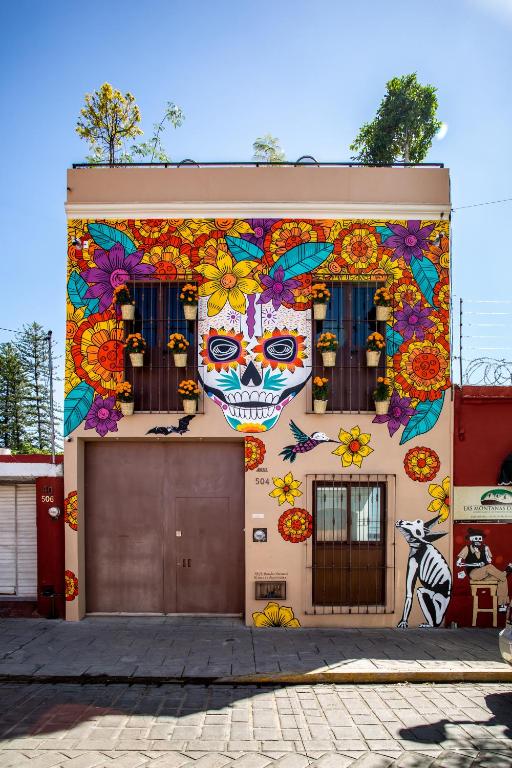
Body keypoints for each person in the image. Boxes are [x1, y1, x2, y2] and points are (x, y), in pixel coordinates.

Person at [456, 527, 512, 611]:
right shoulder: (467, 548)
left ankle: (502, 605)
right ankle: (504, 573)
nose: (478, 540)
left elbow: (489, 561)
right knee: (494, 571)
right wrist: (465, 563)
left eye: (479, 539)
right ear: (471, 539)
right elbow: (458, 562)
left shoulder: (485, 548)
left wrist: (486, 552)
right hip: (474, 573)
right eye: (475, 538)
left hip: (485, 572)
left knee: (502, 579)